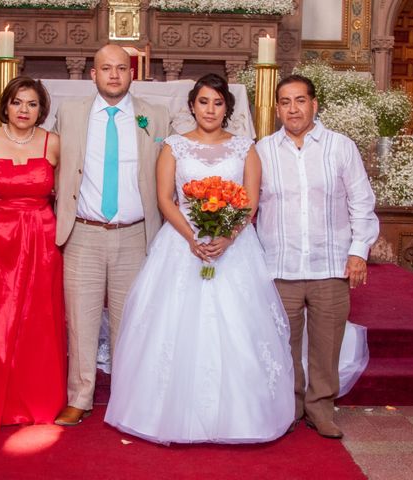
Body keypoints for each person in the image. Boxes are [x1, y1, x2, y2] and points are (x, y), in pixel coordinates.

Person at [104, 74, 295, 444]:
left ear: (227, 108)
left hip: (234, 247)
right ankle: (165, 414)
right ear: (192, 105)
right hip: (181, 244)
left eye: (218, 103)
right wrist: (193, 237)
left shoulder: (245, 148)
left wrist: (226, 236)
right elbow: (164, 199)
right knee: (173, 326)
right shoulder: (174, 147)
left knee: (239, 328)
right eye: (203, 102)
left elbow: (251, 201)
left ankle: (241, 417)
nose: (210, 109)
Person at [255, 75, 379, 439]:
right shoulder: (262, 151)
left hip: (331, 265)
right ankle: (289, 409)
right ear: (277, 108)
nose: (293, 109)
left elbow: (361, 202)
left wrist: (359, 252)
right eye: (285, 102)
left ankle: (321, 409)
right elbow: (247, 205)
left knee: (326, 345)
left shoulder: (341, 148)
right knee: (283, 345)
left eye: (300, 100)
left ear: (314, 104)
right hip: (279, 266)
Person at [52, 45, 170, 426]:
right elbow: (44, 155)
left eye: (121, 68)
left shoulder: (155, 115)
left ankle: (126, 395)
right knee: (81, 320)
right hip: (83, 232)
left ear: (132, 73)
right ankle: (81, 396)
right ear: (93, 75)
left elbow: (176, 164)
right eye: (106, 68)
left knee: (130, 321)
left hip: (136, 234)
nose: (114, 75)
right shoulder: (70, 114)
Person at [0, 76, 65, 432]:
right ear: (6, 105)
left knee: (39, 321)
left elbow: (71, 190)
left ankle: (38, 400)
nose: (24, 110)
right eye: (18, 102)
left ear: (41, 111)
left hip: (42, 240)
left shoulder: (54, 144)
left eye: (32, 104)